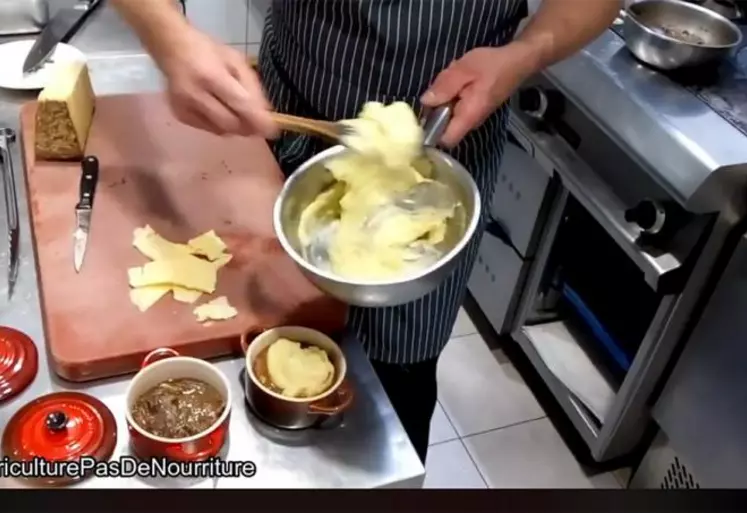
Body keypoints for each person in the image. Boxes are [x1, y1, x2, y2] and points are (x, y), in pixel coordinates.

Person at [112, 0, 620, 464]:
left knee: (399, 380)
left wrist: (526, 53)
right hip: (296, 111)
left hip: (446, 145)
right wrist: (168, 35)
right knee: (268, 338)